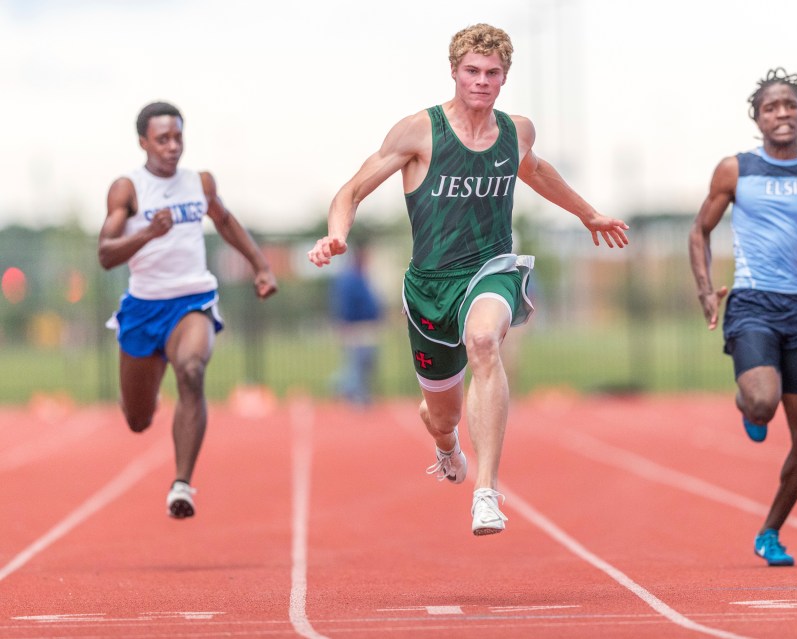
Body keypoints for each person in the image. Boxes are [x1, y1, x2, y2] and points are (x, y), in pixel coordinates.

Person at [308, 24, 629, 535]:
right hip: (431, 287)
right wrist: (336, 236)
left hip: (491, 270)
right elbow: (350, 191)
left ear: (504, 77)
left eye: (492, 73)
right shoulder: (418, 131)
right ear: (455, 72)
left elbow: (537, 171)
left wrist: (588, 214)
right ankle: (444, 443)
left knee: (484, 341)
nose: (481, 81)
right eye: (472, 72)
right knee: (443, 415)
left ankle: (487, 492)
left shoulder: (516, 130)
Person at [688, 68, 797, 565]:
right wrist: (705, 291)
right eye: (770, 107)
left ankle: (770, 532)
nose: (781, 113)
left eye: (789, 106)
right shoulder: (735, 170)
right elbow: (700, 231)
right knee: (762, 402)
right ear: (757, 118)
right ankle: (749, 406)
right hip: (754, 301)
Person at [98, 101, 277, 519]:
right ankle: (150, 385)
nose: (173, 146)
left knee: (193, 372)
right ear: (143, 142)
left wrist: (261, 266)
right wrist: (147, 233)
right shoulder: (127, 189)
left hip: (192, 299)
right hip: (143, 308)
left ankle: (181, 484)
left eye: (178, 136)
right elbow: (105, 254)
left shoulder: (200, 183)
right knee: (138, 420)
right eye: (163, 139)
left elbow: (227, 221)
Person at [329, 243, 383, 406]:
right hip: (356, 326)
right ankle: (349, 392)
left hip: (367, 325)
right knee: (356, 363)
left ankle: (355, 391)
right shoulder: (350, 277)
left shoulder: (361, 276)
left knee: (365, 363)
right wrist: (345, 322)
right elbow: (345, 303)